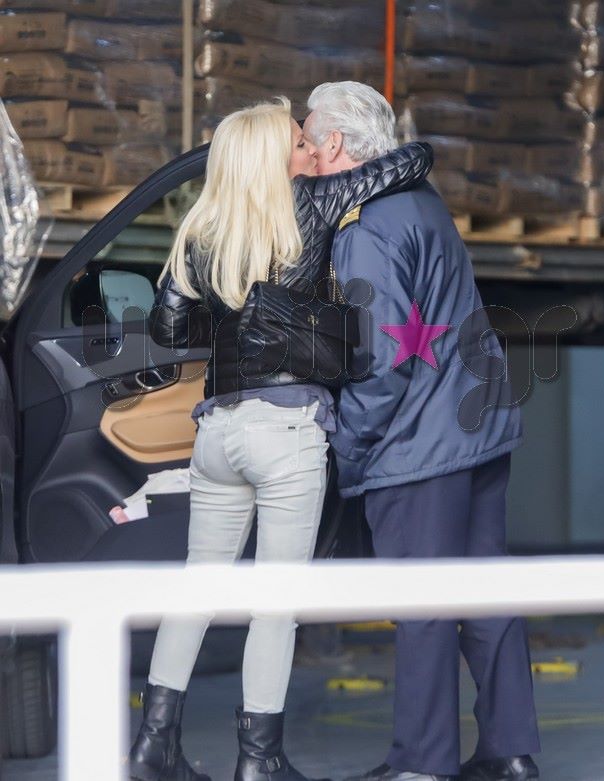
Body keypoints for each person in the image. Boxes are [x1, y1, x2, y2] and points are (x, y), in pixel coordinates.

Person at [129, 97, 433, 781]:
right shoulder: (314, 204)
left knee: (197, 589)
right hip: (286, 431)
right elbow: (413, 160)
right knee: (275, 605)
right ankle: (258, 760)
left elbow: (169, 332)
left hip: (217, 430)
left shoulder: (202, 230)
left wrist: (232, 312)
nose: (311, 149)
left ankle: (153, 745)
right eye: (300, 141)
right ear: (272, 156)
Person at [303, 82, 541, 781]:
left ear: (336, 144)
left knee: (424, 604)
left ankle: (422, 763)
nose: (306, 156)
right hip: (478, 425)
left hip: (419, 445)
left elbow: (383, 359)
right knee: (485, 591)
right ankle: (510, 751)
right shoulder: (422, 201)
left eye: (309, 141)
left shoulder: (366, 227)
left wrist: (348, 443)